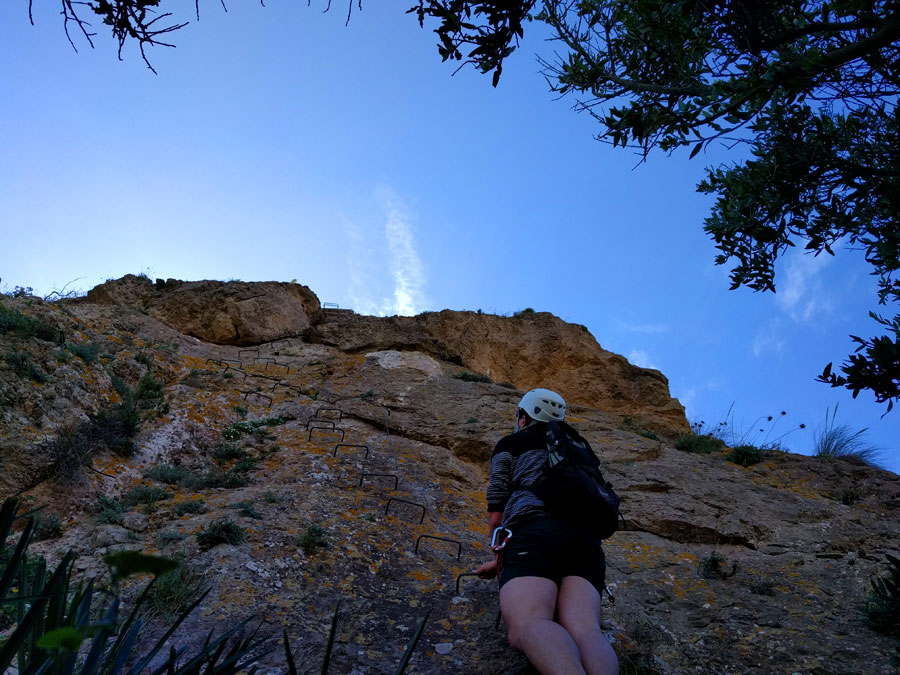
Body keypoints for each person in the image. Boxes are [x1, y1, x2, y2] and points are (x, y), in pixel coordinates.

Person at [474, 388, 619, 675]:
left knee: (528, 623)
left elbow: (497, 513)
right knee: (585, 629)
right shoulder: (578, 448)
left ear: (523, 417)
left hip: (534, 534)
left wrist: (502, 558)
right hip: (586, 544)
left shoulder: (512, 442)